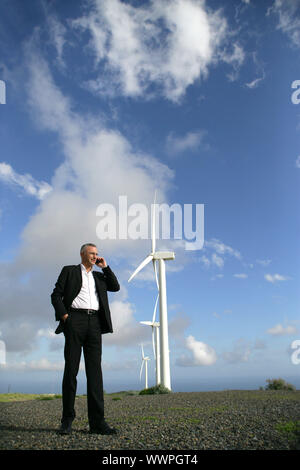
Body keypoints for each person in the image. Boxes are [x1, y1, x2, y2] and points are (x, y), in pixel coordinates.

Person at [51, 243, 120, 435]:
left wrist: (105, 267)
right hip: (75, 320)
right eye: (91, 253)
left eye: (96, 254)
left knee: (95, 374)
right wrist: (65, 317)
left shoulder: (99, 275)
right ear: (82, 254)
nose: (94, 256)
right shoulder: (69, 271)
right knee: (71, 371)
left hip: (95, 323)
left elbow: (115, 287)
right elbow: (55, 295)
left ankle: (98, 423)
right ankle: (67, 421)